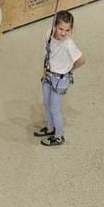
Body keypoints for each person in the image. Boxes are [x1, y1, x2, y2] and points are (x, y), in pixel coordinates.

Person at [33, 10, 84, 146]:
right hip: (49, 75)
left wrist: (69, 70)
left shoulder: (68, 44)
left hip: (61, 80)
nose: (63, 33)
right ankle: (50, 127)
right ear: (55, 26)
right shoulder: (49, 34)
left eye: (67, 30)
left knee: (55, 109)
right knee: (46, 103)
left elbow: (81, 60)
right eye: (61, 29)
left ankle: (58, 136)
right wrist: (45, 68)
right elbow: (49, 53)